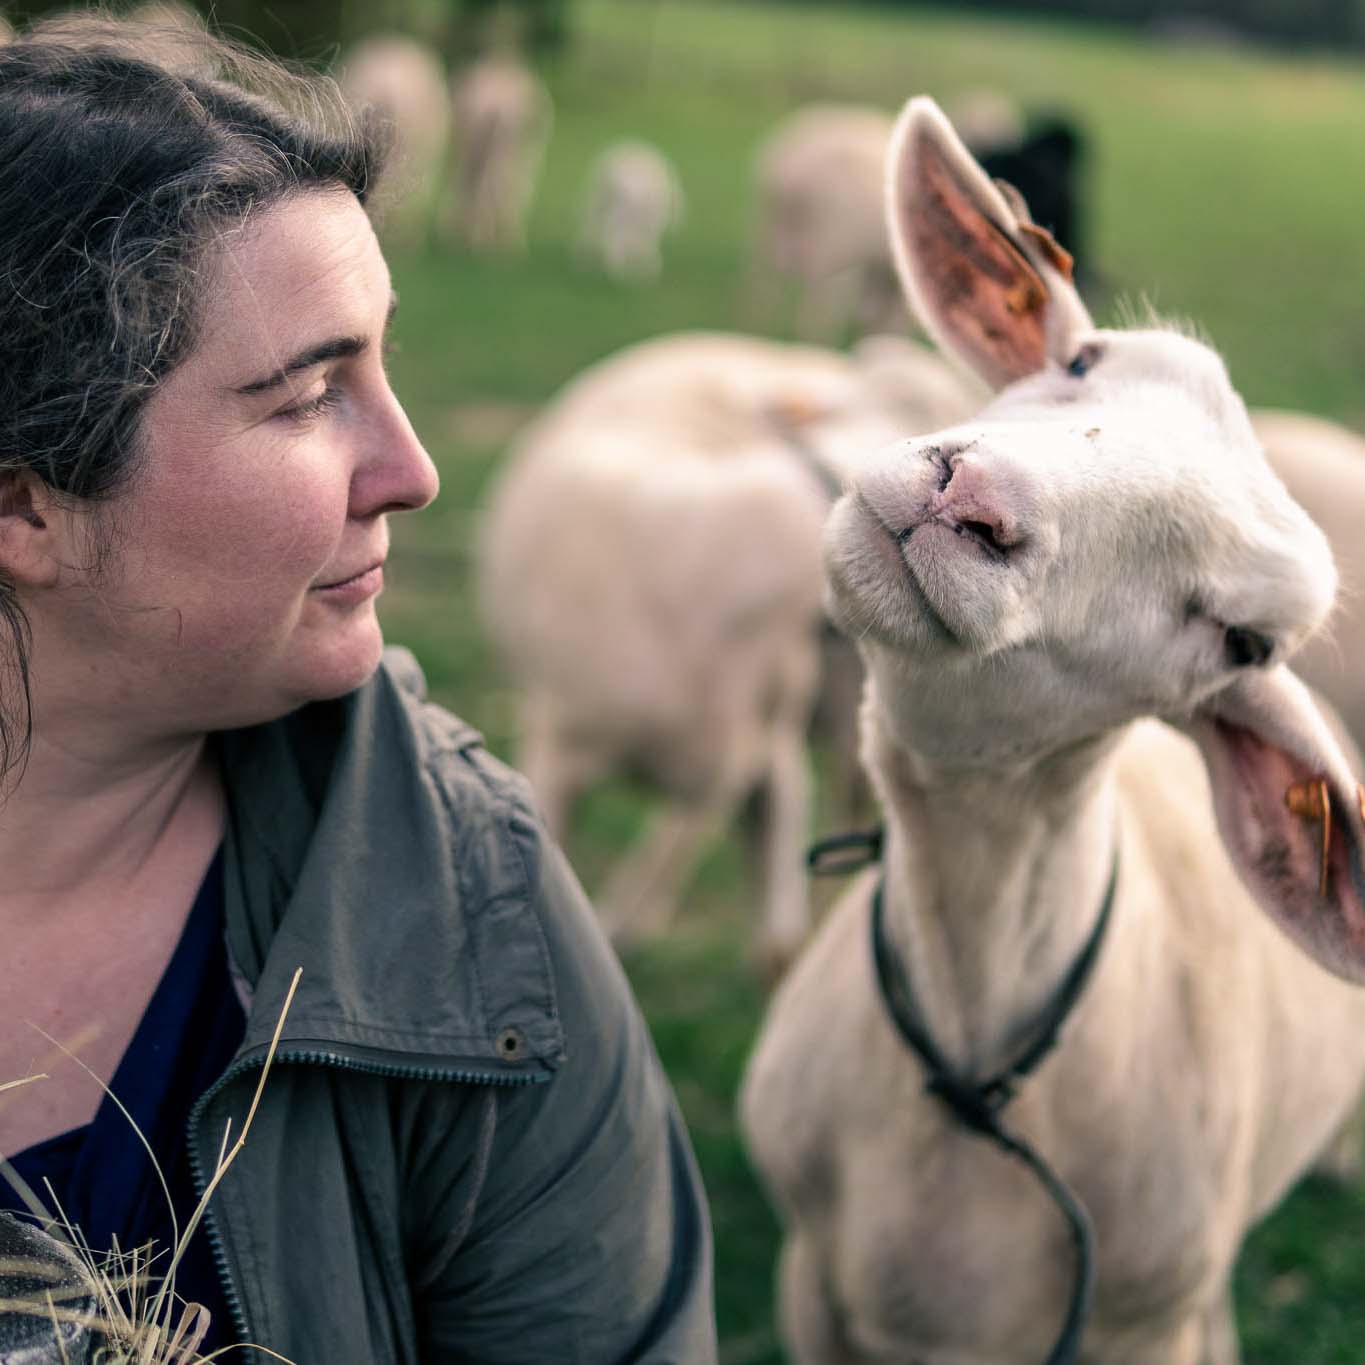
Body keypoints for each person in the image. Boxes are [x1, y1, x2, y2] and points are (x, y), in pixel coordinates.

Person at [0, 16, 715, 1363]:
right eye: (310, 391)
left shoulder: (469, 915)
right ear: (25, 504)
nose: (412, 467)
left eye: (380, 365)